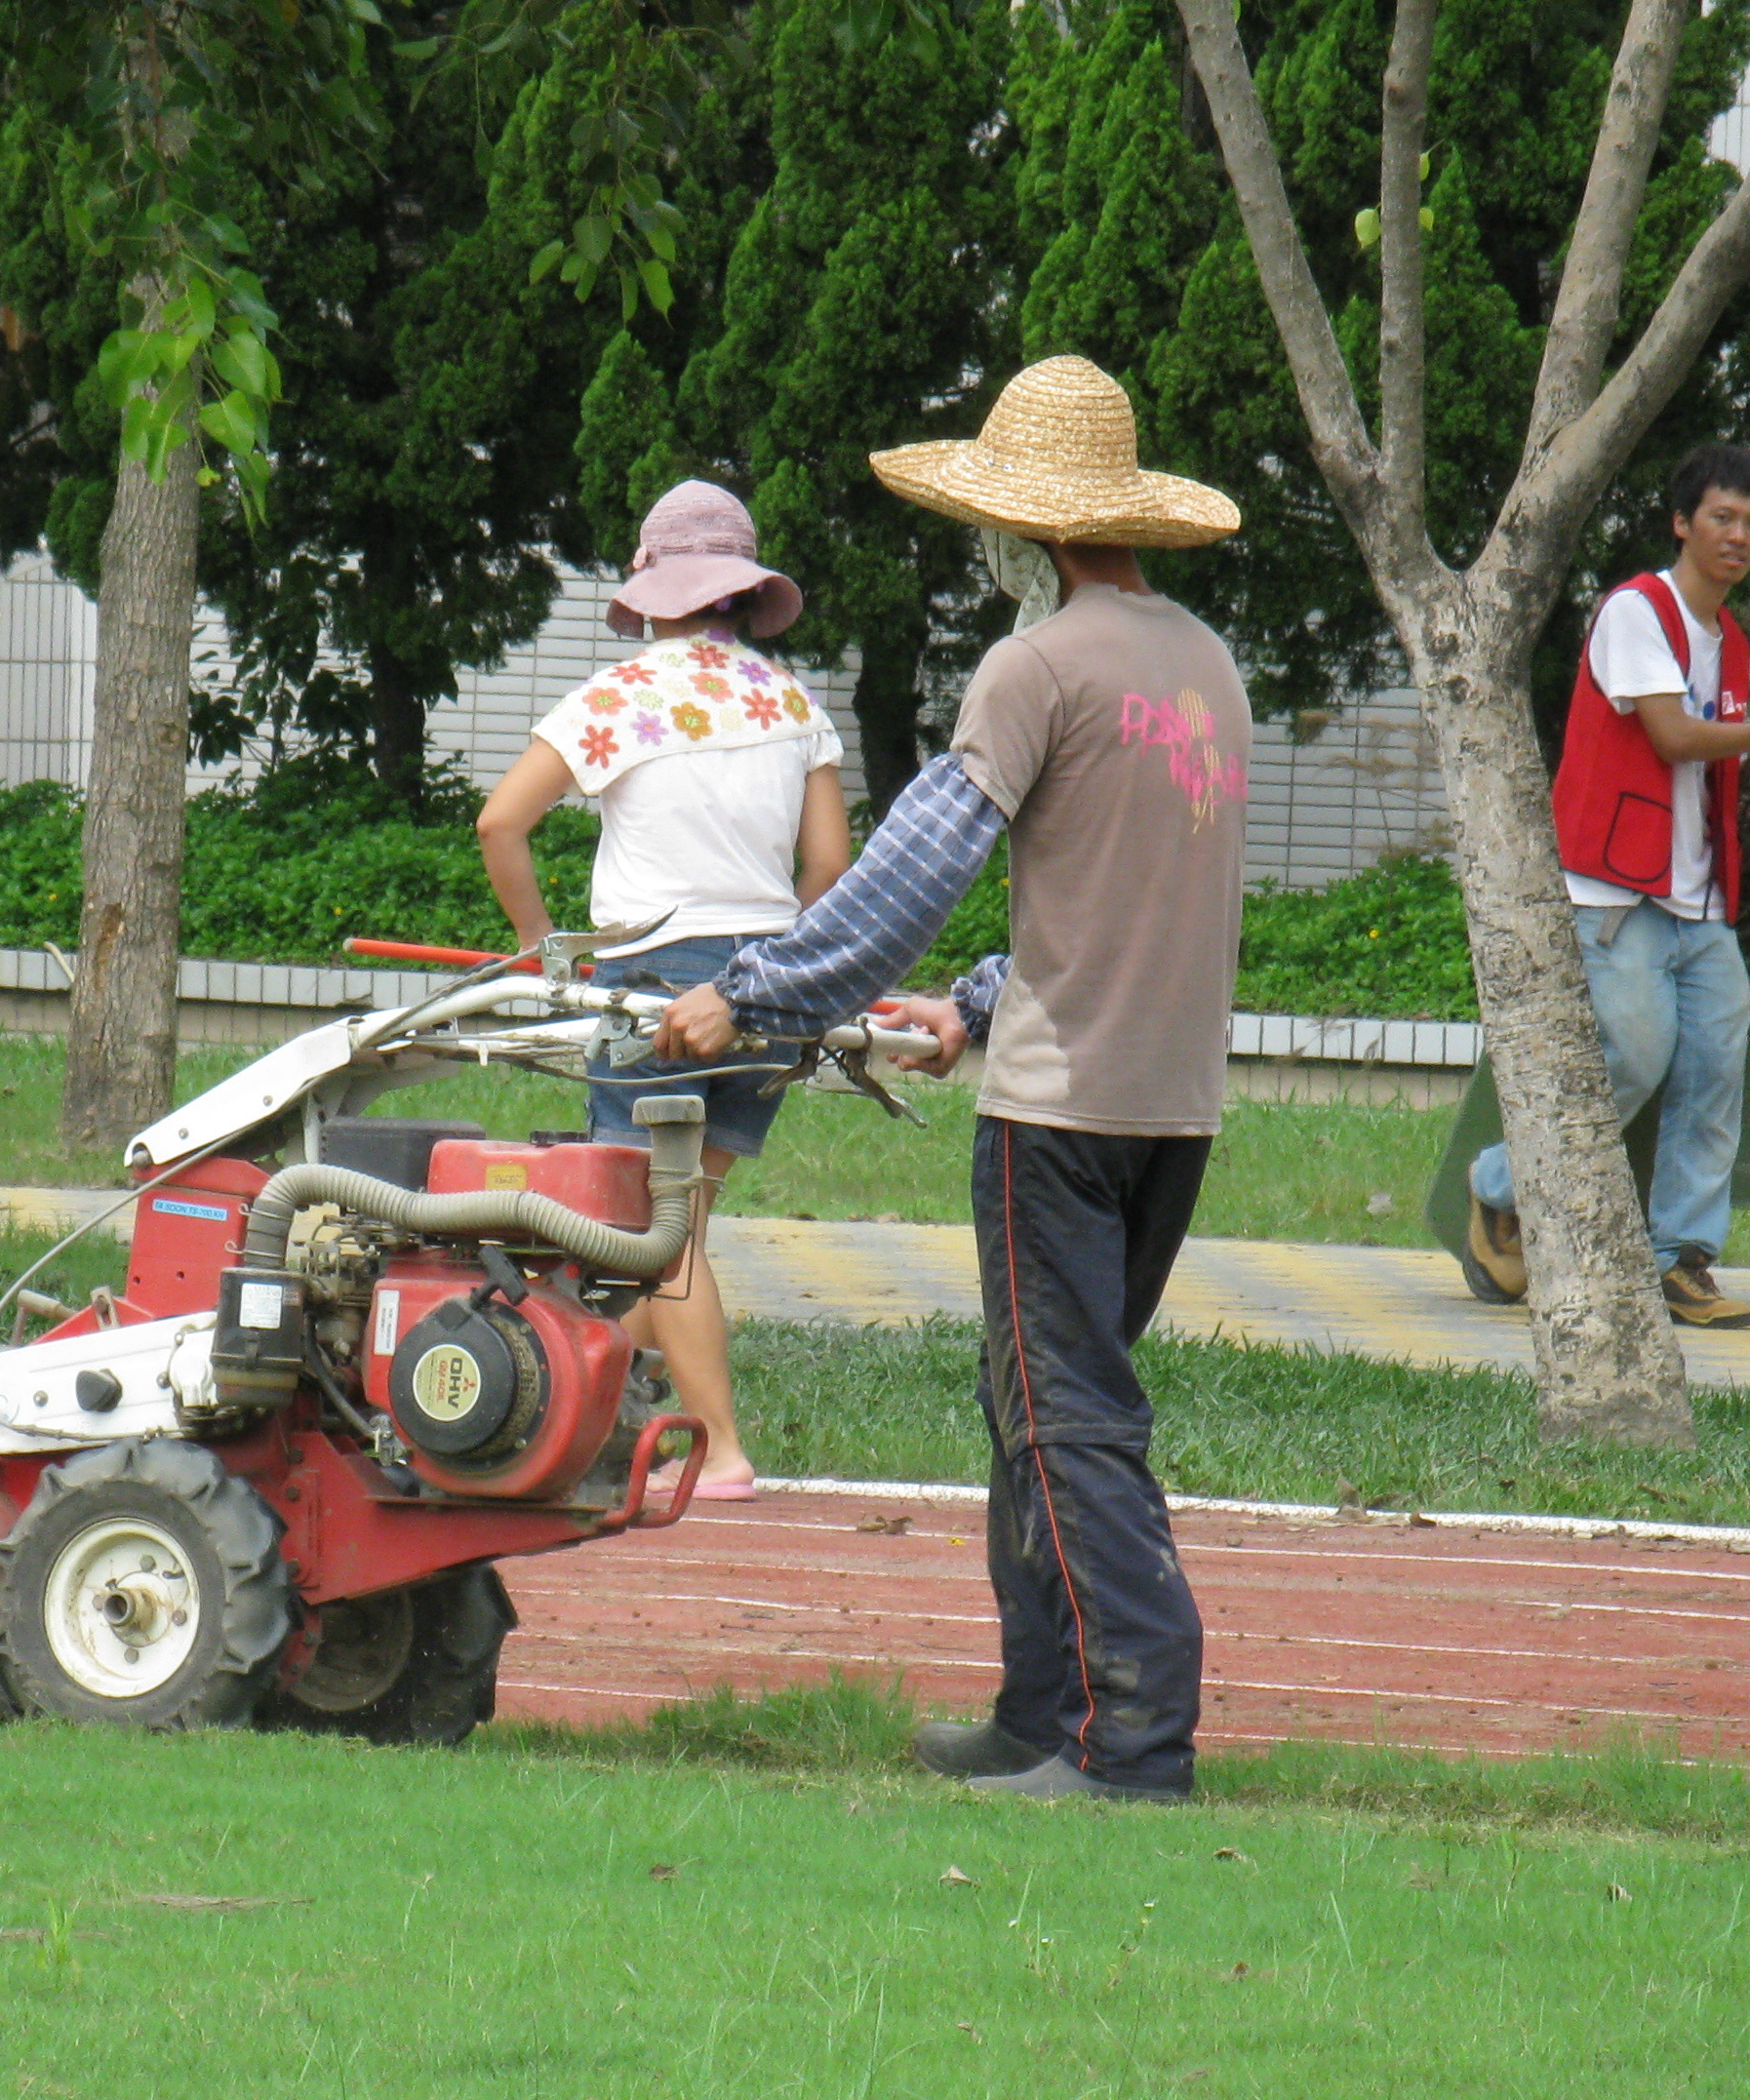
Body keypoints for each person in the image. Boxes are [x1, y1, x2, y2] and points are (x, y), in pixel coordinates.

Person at [653, 358, 1247, 1805]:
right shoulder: (1200, 665)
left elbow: (906, 879)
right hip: (1172, 1105)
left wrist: (748, 994)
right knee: (1036, 1407)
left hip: (1058, 1114)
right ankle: (1038, 1715)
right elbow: (1120, 888)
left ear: (1018, 528)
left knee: (1066, 1422)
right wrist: (981, 1001)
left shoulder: (1033, 666)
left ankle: (1132, 1749)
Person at [475, 479, 852, 1501]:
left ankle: (721, 1446)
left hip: (655, 986)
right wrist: (782, 952)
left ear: (654, 589)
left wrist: (537, 946)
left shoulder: (618, 698)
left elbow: (500, 825)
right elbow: (827, 861)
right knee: (677, 1228)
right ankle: (577, 1395)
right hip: (773, 988)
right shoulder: (791, 702)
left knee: (656, 1233)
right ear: (739, 593)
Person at [1461, 443, 1750, 1330]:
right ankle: (1497, 1184)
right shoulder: (1637, 610)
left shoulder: (1730, 642)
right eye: (1722, 518)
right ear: (1682, 522)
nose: (1740, 537)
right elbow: (1671, 736)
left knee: (1715, 1071)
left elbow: (1706, 773)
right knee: (1630, 1059)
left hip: (1697, 904)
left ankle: (1681, 1259)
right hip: (1613, 892)